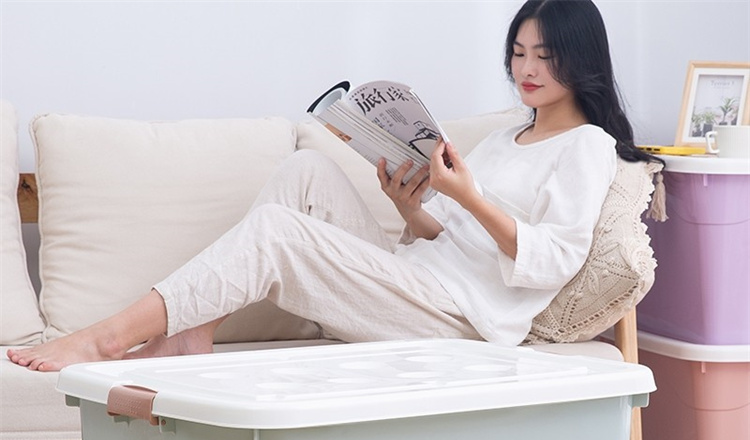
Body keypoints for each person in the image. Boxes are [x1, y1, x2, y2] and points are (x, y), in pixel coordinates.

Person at [8, 0, 660, 373]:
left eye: (544, 55)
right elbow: (453, 242)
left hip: (464, 321)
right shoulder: (505, 138)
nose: (526, 68)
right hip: (425, 281)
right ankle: (189, 333)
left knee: (277, 233)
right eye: (518, 52)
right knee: (306, 172)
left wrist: (467, 197)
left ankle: (107, 337)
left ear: (581, 59)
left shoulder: (588, 147)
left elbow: (553, 260)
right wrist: (412, 209)